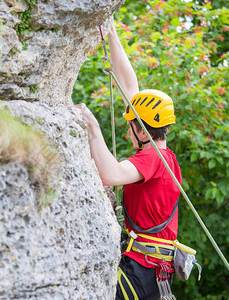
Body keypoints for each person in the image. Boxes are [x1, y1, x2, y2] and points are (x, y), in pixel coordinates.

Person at [75, 22, 182, 300]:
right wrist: (111, 33)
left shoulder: (151, 159)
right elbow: (129, 86)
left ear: (141, 129)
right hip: (152, 270)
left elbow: (110, 174)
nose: (126, 131)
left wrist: (93, 129)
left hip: (141, 272)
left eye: (130, 126)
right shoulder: (164, 156)